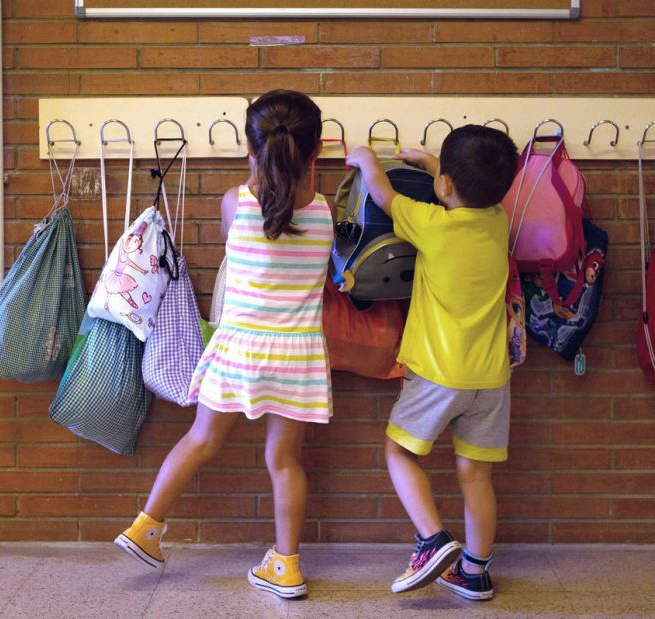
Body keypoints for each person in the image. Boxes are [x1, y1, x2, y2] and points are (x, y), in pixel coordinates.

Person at [114, 89, 334, 600]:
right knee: (284, 461)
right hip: (297, 354)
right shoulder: (326, 212)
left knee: (201, 439)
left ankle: (147, 526)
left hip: (239, 347)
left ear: (250, 149)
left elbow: (235, 234)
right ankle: (286, 566)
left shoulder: (236, 202)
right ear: (316, 152)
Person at [345, 124, 519, 601]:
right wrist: (431, 163)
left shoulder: (432, 225)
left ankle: (431, 539)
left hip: (439, 374)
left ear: (444, 185)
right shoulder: (499, 219)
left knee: (398, 452)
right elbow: (466, 190)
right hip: (491, 378)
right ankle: (474, 572)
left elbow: (383, 196)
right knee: (476, 474)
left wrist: (366, 159)